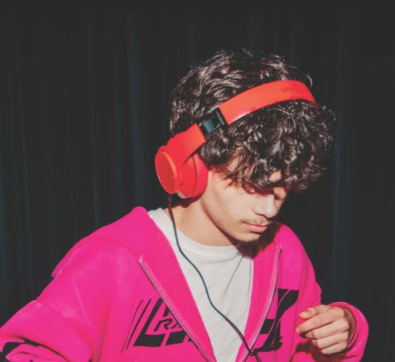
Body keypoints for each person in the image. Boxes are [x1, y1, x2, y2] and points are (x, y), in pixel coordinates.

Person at [0, 49, 368, 361]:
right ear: (191, 166)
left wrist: (345, 331)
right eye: (253, 185)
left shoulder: (286, 251)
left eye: (282, 187)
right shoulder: (112, 260)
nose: (270, 209)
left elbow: (307, 352)